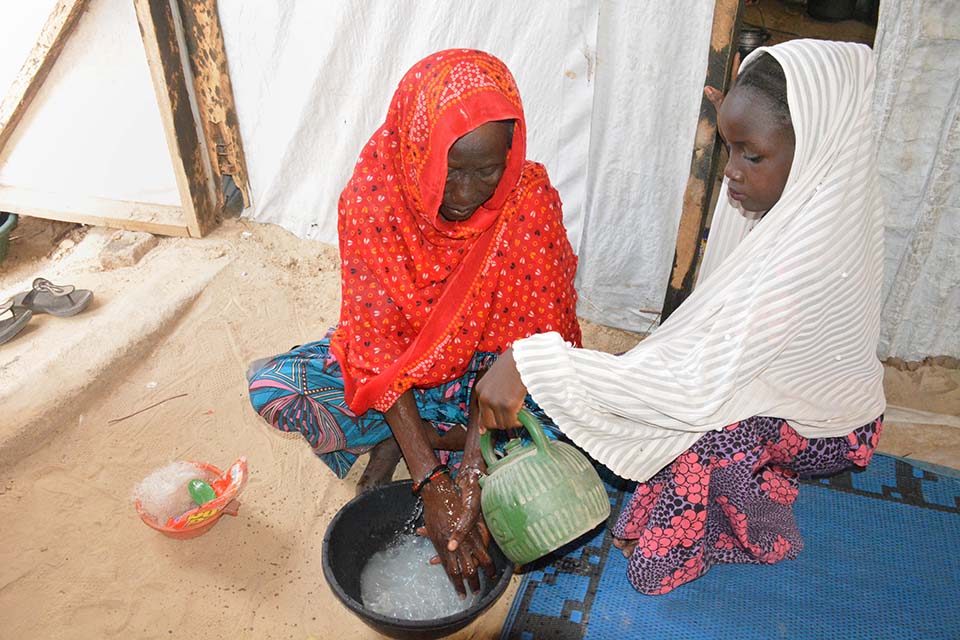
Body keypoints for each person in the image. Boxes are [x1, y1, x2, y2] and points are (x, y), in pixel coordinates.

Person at [474, 39, 885, 594]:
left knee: (674, 505)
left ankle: (758, 527)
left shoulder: (810, 254)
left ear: (813, 146)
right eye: (729, 149)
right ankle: (744, 475)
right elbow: (708, 336)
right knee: (643, 388)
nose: (732, 174)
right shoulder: (800, 199)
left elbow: (696, 388)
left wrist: (531, 360)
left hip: (827, 425)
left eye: (751, 155)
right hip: (766, 377)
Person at [247, 49, 581, 595]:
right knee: (275, 390)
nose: (467, 195)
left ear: (511, 155)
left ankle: (412, 438)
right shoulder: (375, 197)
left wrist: (469, 471)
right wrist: (430, 481)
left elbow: (529, 346)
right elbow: (374, 350)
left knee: (571, 415)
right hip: (405, 369)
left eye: (487, 172)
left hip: (485, 377)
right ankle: (418, 440)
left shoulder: (528, 200)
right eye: (450, 171)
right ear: (416, 150)